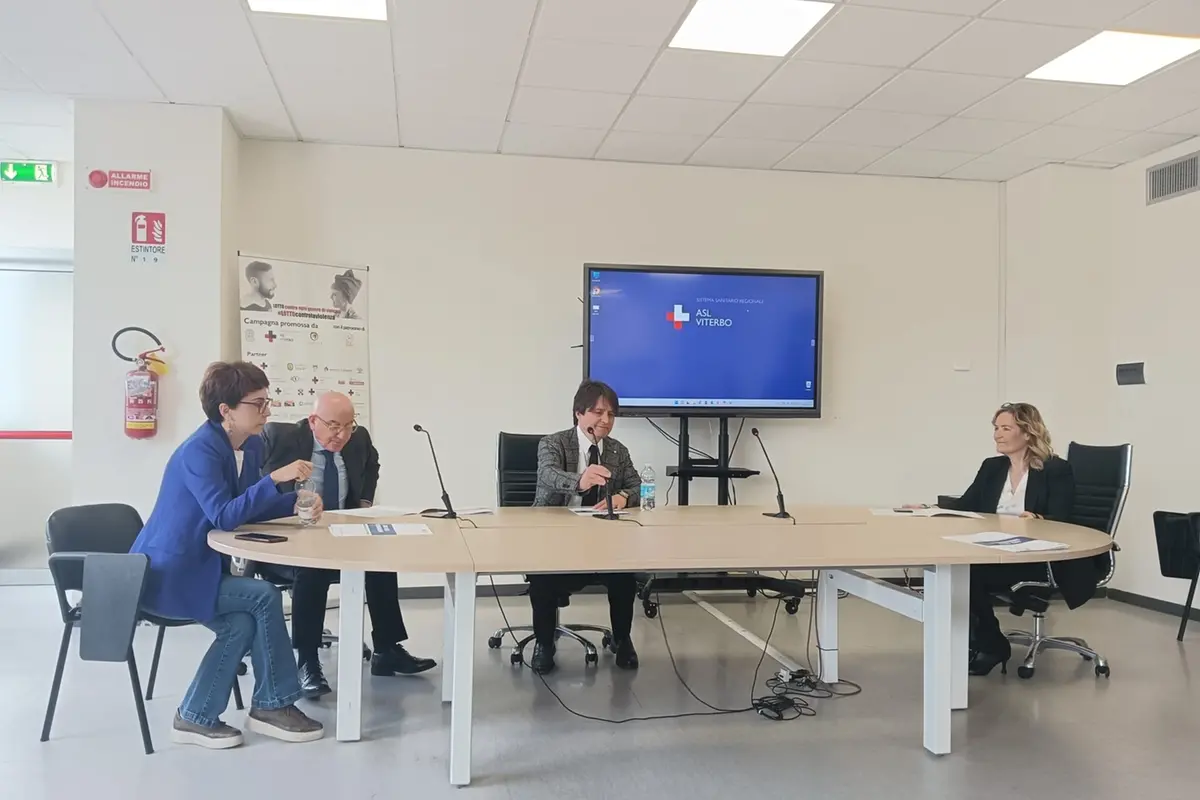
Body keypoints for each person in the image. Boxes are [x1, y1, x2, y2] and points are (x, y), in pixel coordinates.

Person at [130, 361, 324, 749]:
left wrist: (293, 503)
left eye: (267, 401)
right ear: (226, 410)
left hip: (200, 570)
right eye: (257, 403)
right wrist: (275, 480)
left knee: (241, 623)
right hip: (169, 574)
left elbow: (245, 508)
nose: (267, 411)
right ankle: (272, 705)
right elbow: (223, 514)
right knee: (263, 596)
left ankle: (195, 715)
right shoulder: (198, 452)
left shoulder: (249, 445)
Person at [259, 391, 436, 697]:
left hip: (341, 535)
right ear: (313, 421)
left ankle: (387, 650)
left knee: (380, 561)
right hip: (292, 540)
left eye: (347, 426)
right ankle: (307, 661)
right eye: (333, 426)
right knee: (312, 568)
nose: (341, 435)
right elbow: (257, 481)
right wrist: (287, 503)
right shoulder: (281, 438)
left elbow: (373, 465)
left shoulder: (359, 439)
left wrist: (364, 501)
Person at [932, 403, 1091, 676]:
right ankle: (986, 641)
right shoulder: (992, 467)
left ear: (1028, 433)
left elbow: (1063, 519)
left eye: (1006, 428)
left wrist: (1038, 519)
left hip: (1038, 559)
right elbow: (966, 505)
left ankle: (990, 646)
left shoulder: (1055, 469)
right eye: (996, 428)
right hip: (995, 551)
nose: (997, 434)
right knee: (959, 571)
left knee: (968, 576)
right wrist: (928, 510)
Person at [529, 380, 642, 675]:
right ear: (579, 413)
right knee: (542, 579)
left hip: (602, 540)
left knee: (624, 576)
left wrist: (623, 496)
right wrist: (580, 480)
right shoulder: (553, 443)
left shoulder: (617, 450)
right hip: (555, 538)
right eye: (598, 412)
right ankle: (544, 643)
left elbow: (637, 485)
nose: (605, 420)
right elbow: (548, 474)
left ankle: (622, 639)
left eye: (611, 414)